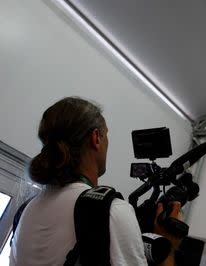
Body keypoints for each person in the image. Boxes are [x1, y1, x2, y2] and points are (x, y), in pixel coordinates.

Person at [10, 97, 181, 266]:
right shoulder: (110, 211)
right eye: (106, 134)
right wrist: (168, 246)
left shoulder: (26, 210)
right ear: (96, 137)